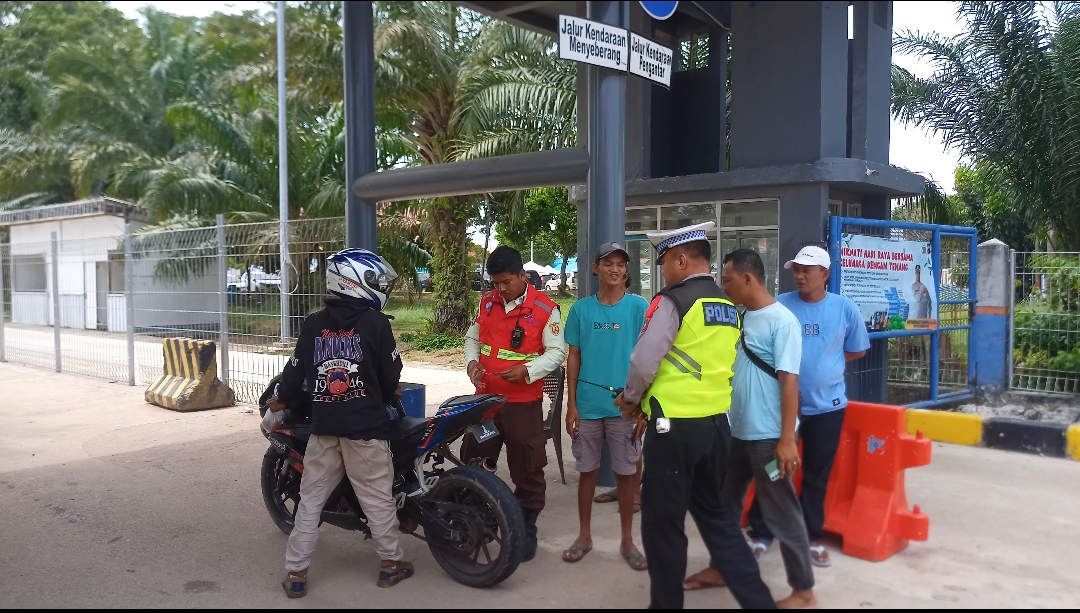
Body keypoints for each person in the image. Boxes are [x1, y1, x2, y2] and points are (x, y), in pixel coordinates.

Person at [616, 222, 775, 610]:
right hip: (717, 428)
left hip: (674, 430)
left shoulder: (674, 301)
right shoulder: (727, 306)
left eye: (665, 263)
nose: (663, 272)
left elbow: (643, 363)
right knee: (719, 520)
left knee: (664, 526)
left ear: (682, 260)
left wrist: (632, 399)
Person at [266, 248, 411, 598]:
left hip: (325, 429)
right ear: (355, 281)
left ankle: (296, 573)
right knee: (377, 499)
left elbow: (294, 373)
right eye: (375, 280)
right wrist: (389, 388)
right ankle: (390, 565)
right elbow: (391, 375)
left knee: (310, 500)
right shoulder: (376, 323)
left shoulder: (314, 323)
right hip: (366, 431)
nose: (381, 287)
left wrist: (279, 401)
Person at [716, 248, 816, 608]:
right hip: (738, 433)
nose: (723, 286)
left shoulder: (782, 322)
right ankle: (721, 567)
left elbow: (790, 383)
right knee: (723, 506)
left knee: (781, 511)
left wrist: (787, 440)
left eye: (727, 280)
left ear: (747, 279)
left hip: (770, 439)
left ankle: (804, 592)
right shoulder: (741, 317)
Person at [462, 245, 567, 562]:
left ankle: (525, 528)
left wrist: (528, 371)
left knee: (528, 467)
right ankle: (477, 519)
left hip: (522, 403)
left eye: (506, 282)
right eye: (495, 283)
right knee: (475, 459)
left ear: (522, 275)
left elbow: (557, 353)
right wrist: (471, 363)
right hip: (485, 403)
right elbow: (473, 338)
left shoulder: (546, 309)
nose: (501, 289)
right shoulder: (487, 302)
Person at [563, 242, 649, 570]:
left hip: (625, 408)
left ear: (626, 271)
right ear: (596, 268)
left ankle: (628, 540)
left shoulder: (639, 308)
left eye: (620, 264)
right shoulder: (581, 310)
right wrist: (571, 406)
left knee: (626, 475)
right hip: (587, 407)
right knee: (587, 472)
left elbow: (648, 357)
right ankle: (584, 536)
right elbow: (574, 357)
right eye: (608, 263)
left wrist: (642, 406)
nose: (614, 269)